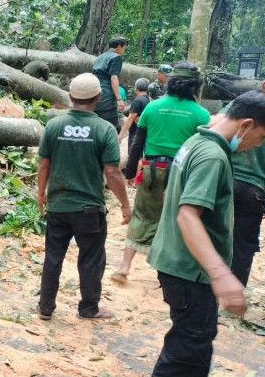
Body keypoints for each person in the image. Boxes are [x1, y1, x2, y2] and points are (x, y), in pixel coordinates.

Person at [148, 90, 265, 377]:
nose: (255, 146)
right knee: (186, 353)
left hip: (179, 262)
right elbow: (187, 215)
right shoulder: (213, 157)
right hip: (190, 271)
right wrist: (221, 274)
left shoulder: (196, 142)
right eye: (261, 137)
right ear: (246, 125)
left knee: (193, 343)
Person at [36, 73, 132, 321]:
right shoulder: (104, 129)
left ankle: (46, 307)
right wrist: (124, 204)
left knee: (53, 256)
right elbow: (112, 172)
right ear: (98, 98)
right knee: (90, 259)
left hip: (58, 205)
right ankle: (89, 308)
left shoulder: (54, 126)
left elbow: (44, 164)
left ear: (70, 97)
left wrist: (40, 195)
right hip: (89, 209)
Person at [112, 62, 210, 282]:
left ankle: (124, 267)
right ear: (195, 86)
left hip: (152, 170)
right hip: (183, 173)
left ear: (171, 83)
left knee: (142, 216)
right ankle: (167, 274)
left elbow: (137, 143)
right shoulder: (201, 115)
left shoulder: (153, 107)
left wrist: (129, 173)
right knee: (178, 219)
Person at [213, 82, 265, 287]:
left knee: (216, 231)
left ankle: (211, 283)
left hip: (227, 176)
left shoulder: (241, 103)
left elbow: (216, 123)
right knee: (243, 243)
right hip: (256, 188)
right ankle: (234, 290)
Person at [92, 36, 128, 131]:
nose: (124, 50)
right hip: (107, 95)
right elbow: (114, 77)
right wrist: (119, 99)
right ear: (119, 46)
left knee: (96, 122)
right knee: (112, 126)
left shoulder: (99, 57)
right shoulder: (116, 57)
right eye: (124, 48)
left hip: (94, 92)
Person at [118, 78, 150, 149]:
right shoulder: (148, 100)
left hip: (136, 133)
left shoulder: (137, 101)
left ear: (136, 88)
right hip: (144, 133)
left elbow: (130, 118)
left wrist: (120, 136)